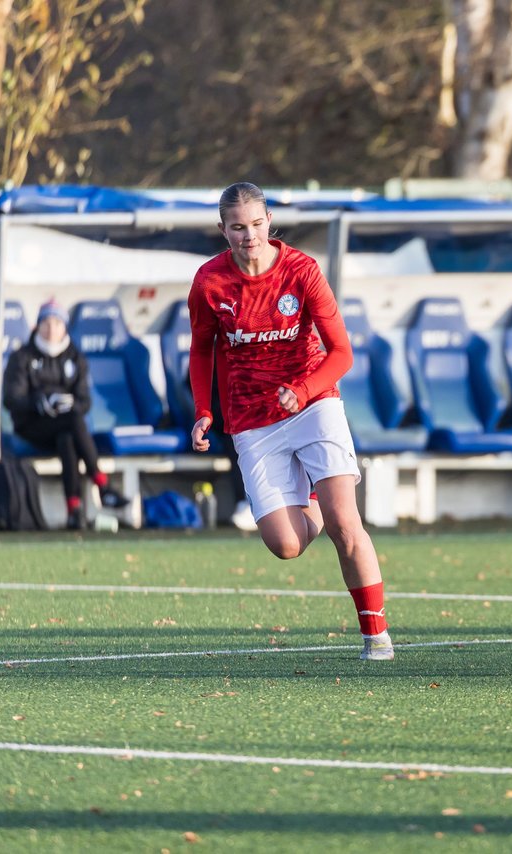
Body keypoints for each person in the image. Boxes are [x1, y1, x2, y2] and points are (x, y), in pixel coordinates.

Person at [187, 182, 393, 660]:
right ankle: (313, 497)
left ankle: (376, 635)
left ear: (269, 222)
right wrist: (203, 410)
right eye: (238, 227)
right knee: (285, 545)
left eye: (257, 224)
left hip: (314, 403)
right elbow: (201, 349)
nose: (249, 236)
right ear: (223, 230)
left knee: (345, 523)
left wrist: (302, 389)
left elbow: (342, 353)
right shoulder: (209, 282)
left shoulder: (302, 270)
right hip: (251, 418)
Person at [2, 300, 131, 530]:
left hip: (65, 426)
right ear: (38, 325)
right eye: (46, 322)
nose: (51, 329)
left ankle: (74, 510)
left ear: (65, 327)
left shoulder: (75, 357)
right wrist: (38, 403)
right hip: (32, 426)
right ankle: (101, 484)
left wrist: (68, 403)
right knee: (73, 421)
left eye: (57, 323)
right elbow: (11, 399)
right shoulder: (22, 357)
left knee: (68, 437)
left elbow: (85, 401)